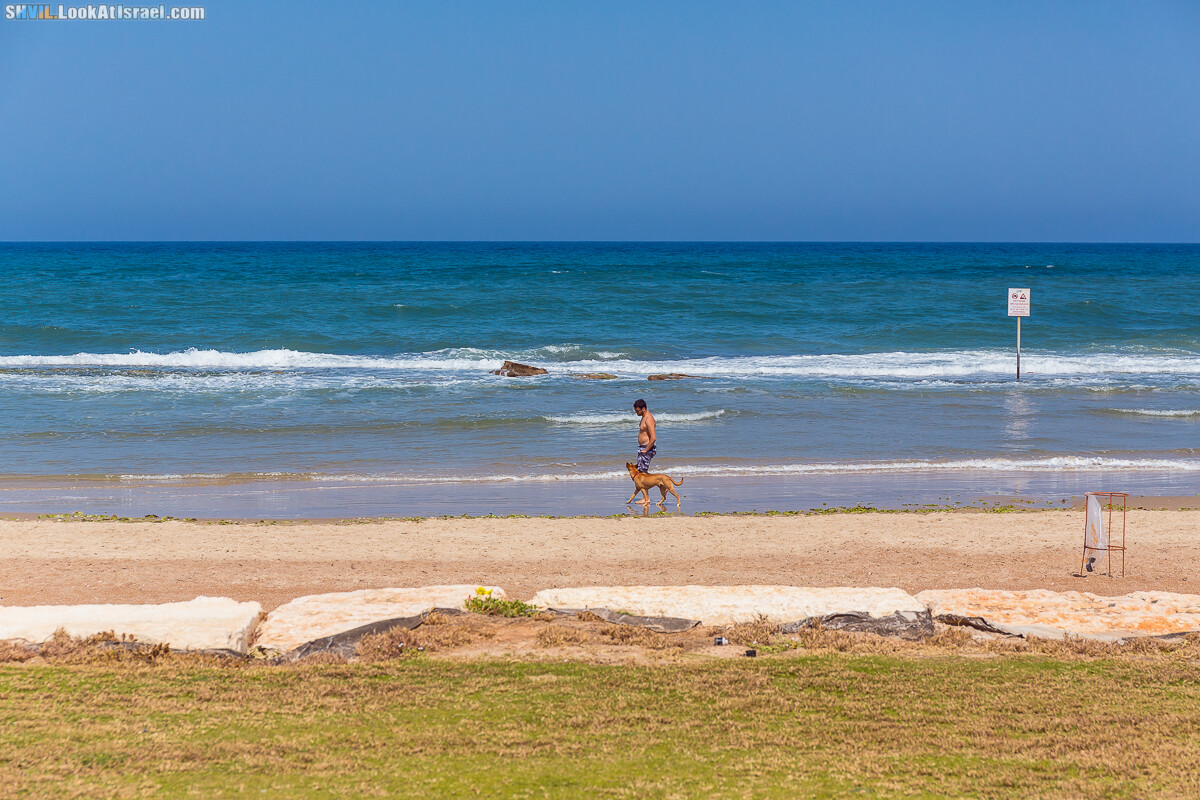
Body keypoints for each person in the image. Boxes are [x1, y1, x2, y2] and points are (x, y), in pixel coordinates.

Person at [633, 398, 656, 472]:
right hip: (642, 447)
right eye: (635, 411)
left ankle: (657, 482)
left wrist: (646, 450)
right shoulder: (644, 417)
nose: (636, 413)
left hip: (647, 448)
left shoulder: (648, 419)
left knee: (642, 472)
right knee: (640, 471)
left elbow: (653, 438)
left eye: (637, 411)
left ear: (643, 409)